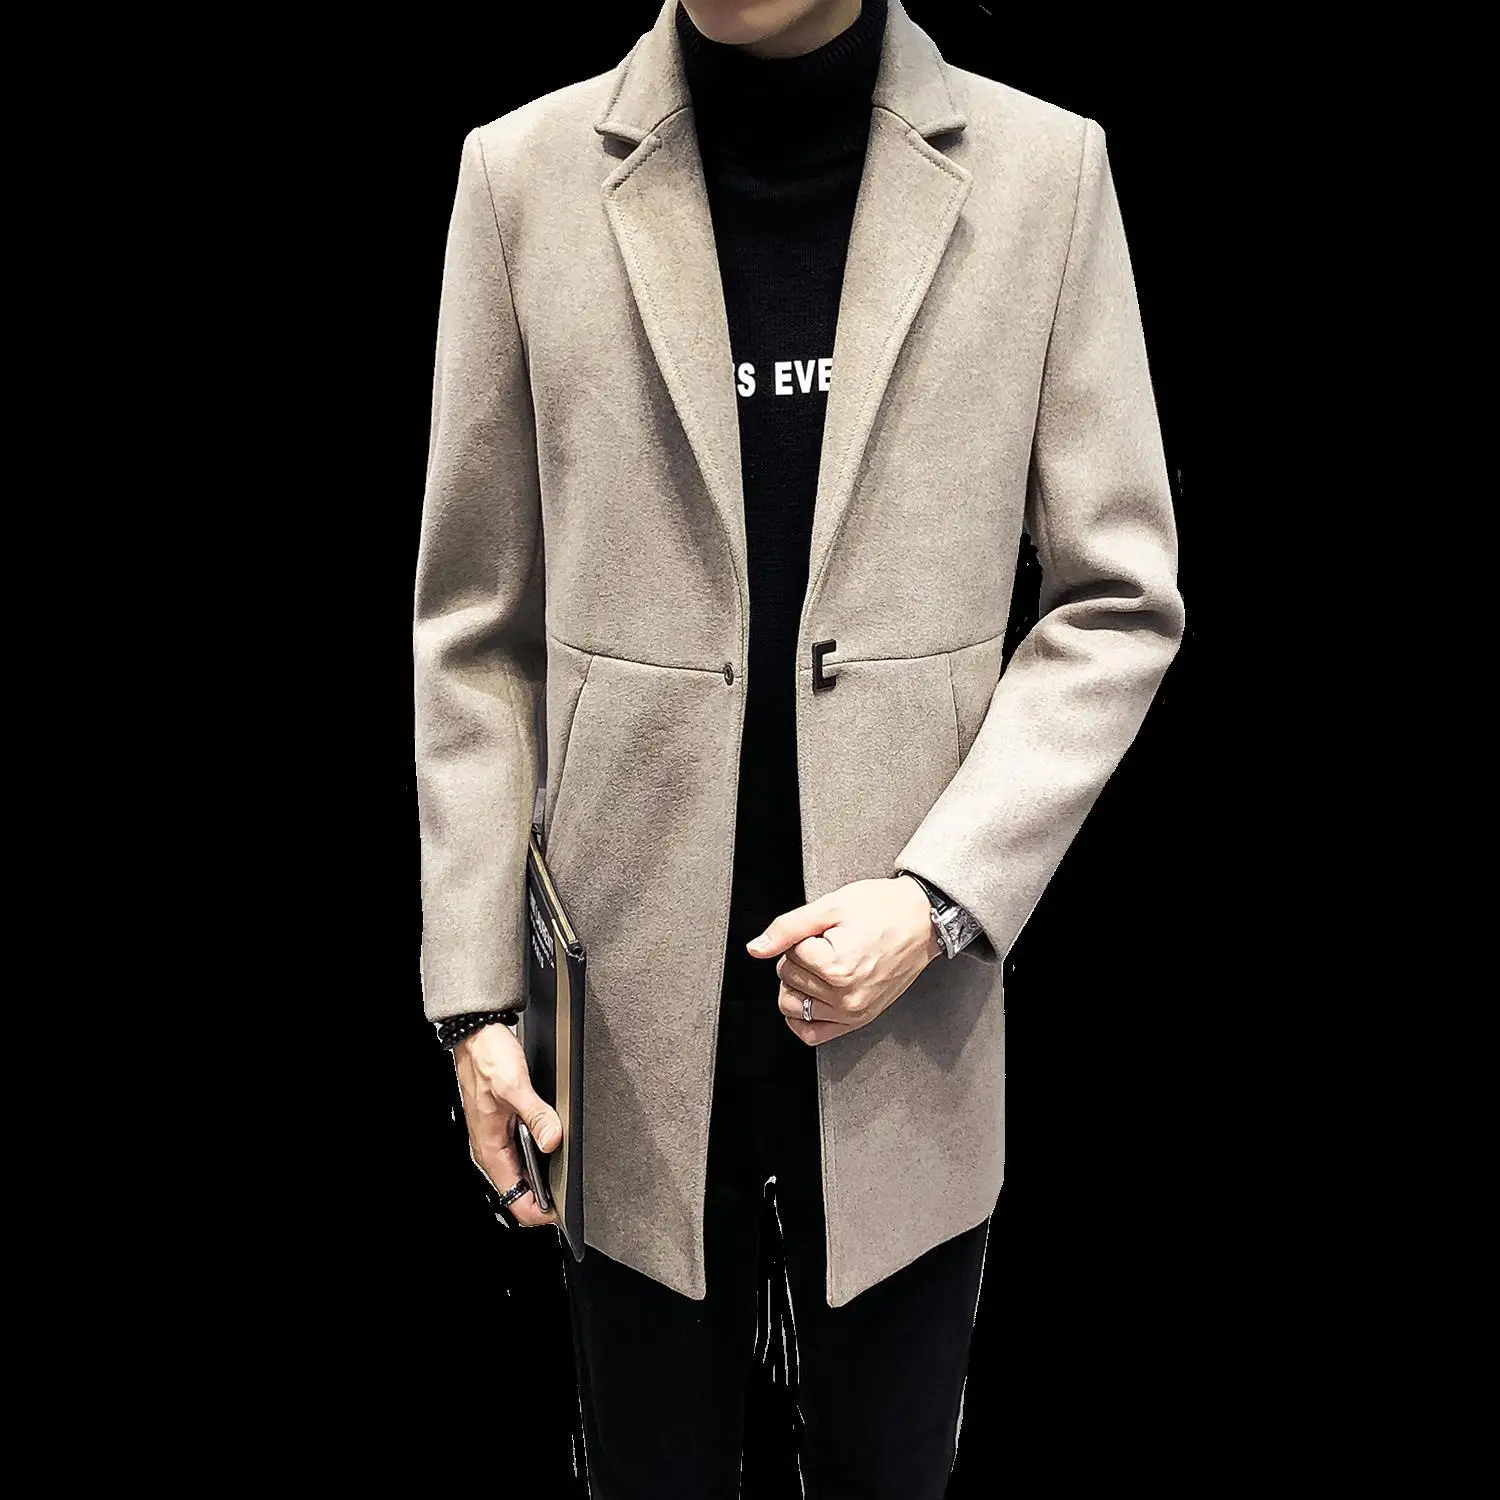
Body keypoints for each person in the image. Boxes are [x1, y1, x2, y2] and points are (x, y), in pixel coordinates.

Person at [412, 0, 1184, 1494]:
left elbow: (1116, 597)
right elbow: (473, 629)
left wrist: (941, 897)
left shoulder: (1044, 174)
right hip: (614, 1039)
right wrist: (475, 1000)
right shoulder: (523, 176)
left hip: (911, 1026)